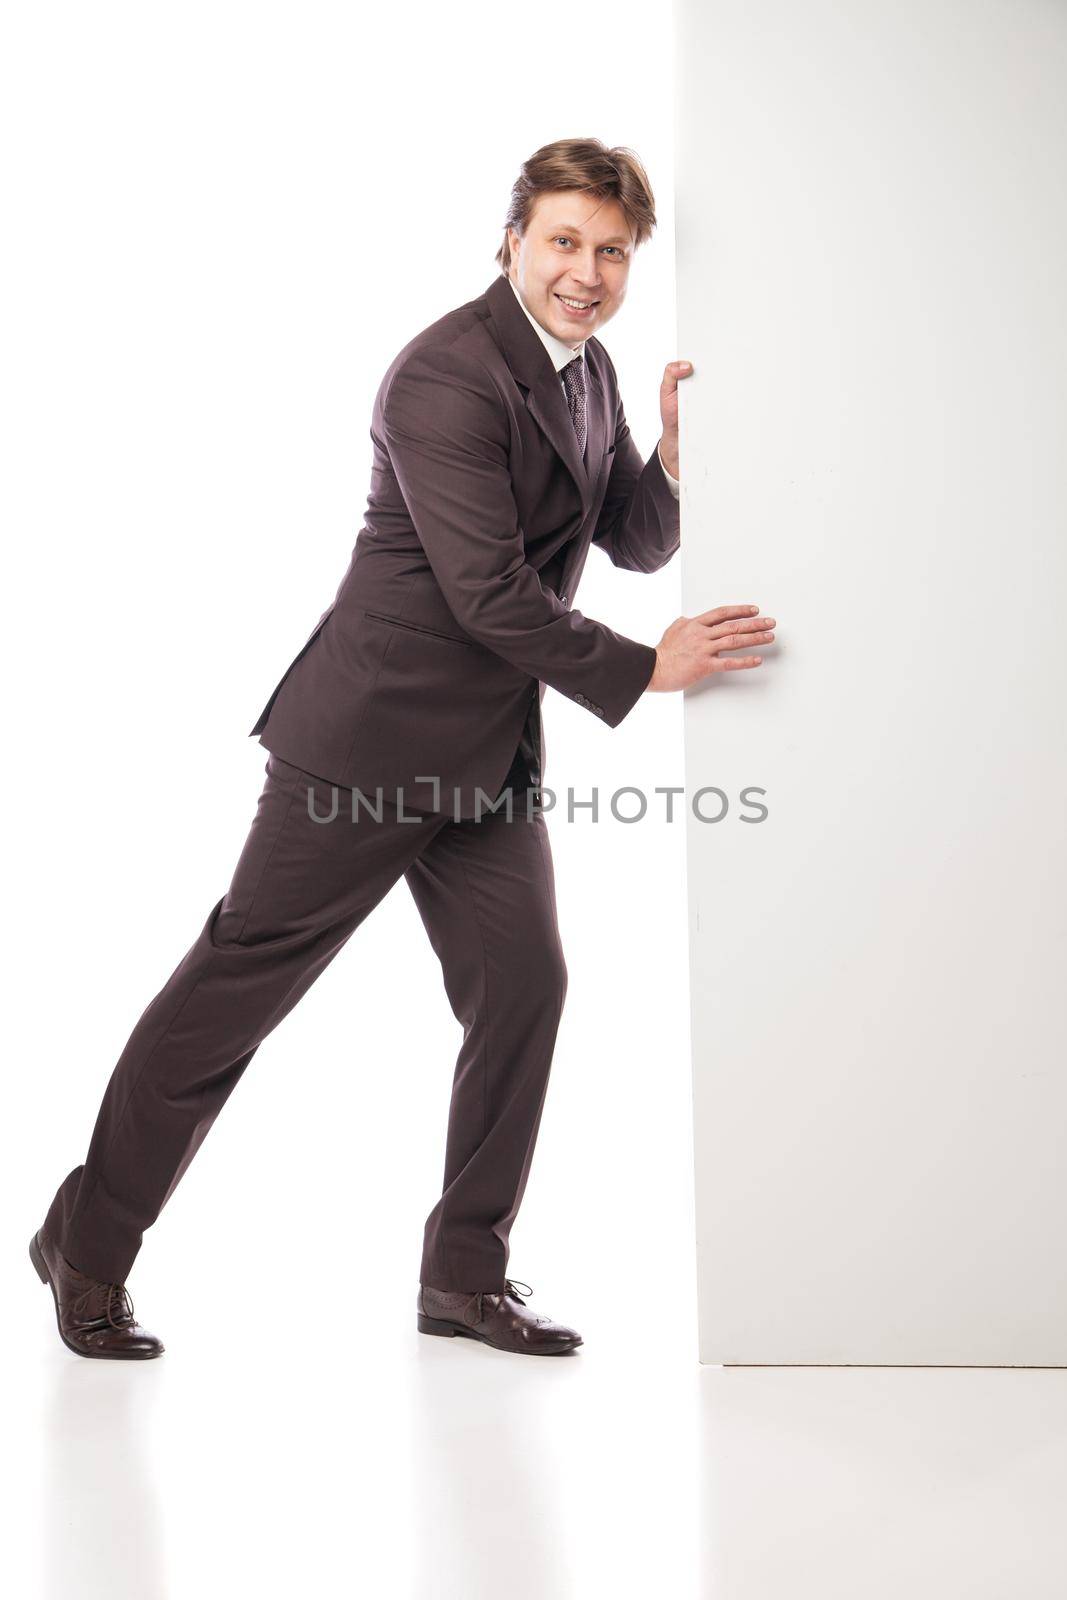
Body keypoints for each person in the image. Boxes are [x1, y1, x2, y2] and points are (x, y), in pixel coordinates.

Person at [31, 137, 775, 1359]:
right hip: (363, 748)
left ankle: (462, 1276)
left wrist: (677, 463)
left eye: (610, 252)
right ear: (511, 239)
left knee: (524, 987)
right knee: (234, 995)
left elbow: (625, 540)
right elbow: (488, 592)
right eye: (563, 242)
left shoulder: (588, 373)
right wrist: (648, 668)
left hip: (485, 756)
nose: (585, 273)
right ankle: (89, 1240)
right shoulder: (442, 374)